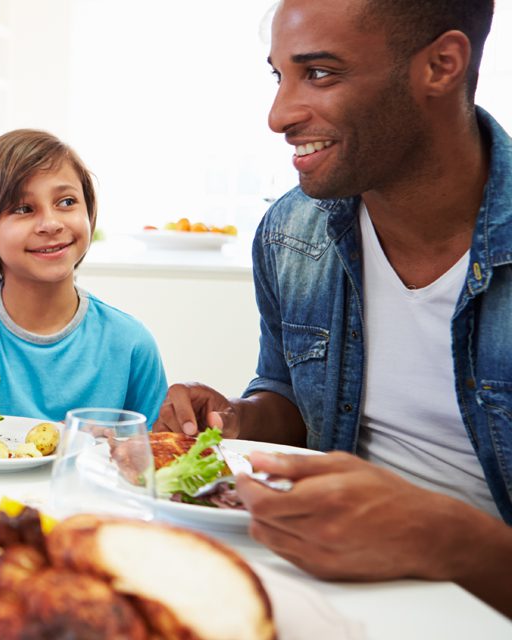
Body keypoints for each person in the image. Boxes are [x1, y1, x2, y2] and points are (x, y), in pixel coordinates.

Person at [154, 0, 512, 616]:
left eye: (319, 72)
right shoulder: (291, 231)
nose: (279, 115)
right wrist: (238, 419)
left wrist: (438, 536)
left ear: (441, 65)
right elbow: (289, 394)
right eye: (279, 75)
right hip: (323, 582)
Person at [0, 130, 167, 423]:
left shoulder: (131, 343)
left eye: (66, 202)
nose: (51, 224)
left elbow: (152, 456)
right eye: (24, 208)